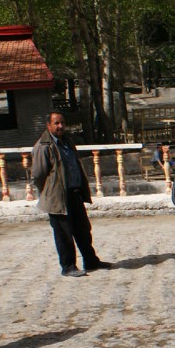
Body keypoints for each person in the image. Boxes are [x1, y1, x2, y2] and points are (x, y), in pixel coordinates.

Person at [32, 112, 111, 277]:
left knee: (83, 229)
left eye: (62, 123)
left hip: (74, 194)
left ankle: (91, 261)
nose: (60, 126)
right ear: (49, 126)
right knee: (63, 234)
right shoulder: (43, 146)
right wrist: (49, 192)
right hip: (58, 198)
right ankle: (68, 266)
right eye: (56, 123)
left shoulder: (67, 141)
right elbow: (38, 175)